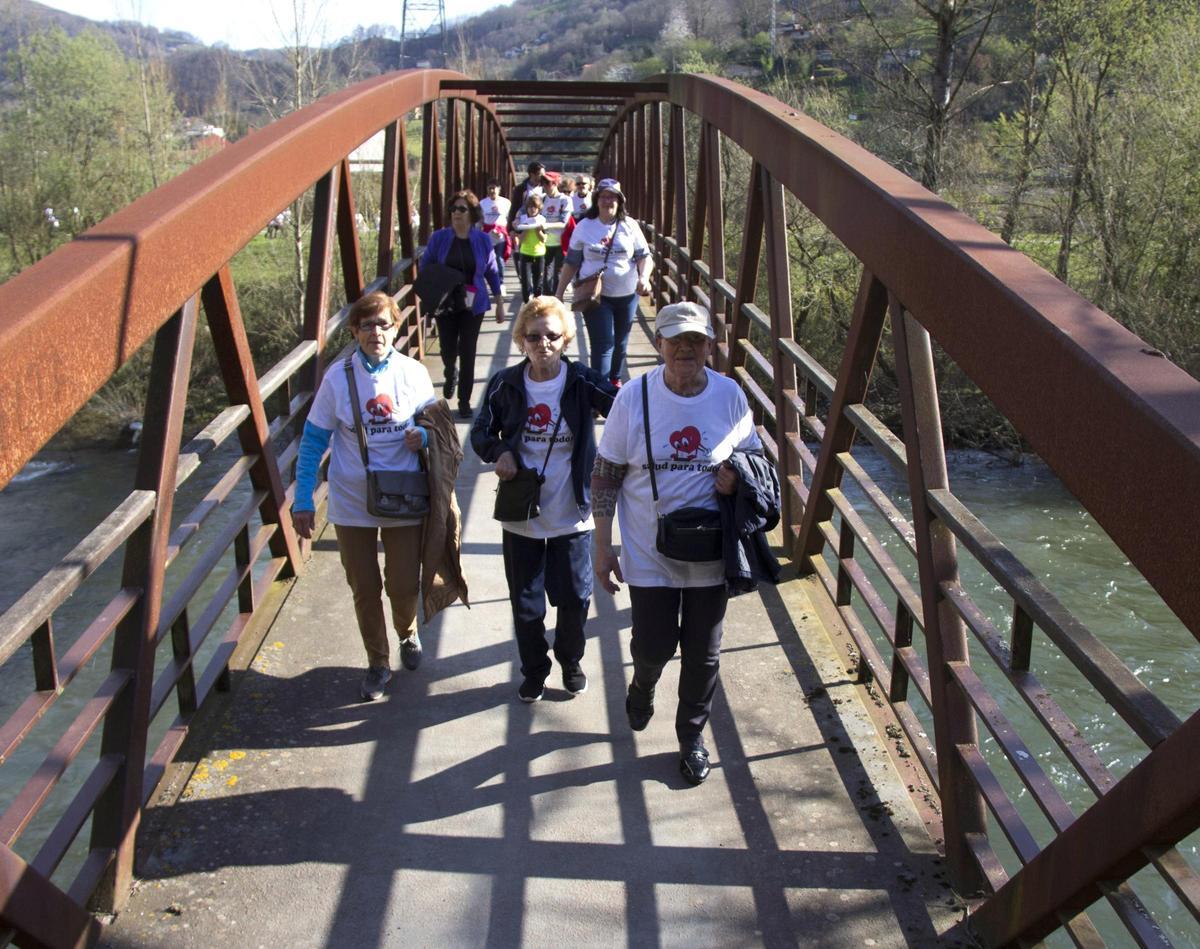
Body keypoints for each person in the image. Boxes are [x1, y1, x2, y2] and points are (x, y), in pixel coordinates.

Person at [590, 302, 763, 786]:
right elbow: (605, 472)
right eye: (675, 340)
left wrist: (738, 477)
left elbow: (754, 458)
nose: (685, 349)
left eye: (695, 340)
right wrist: (603, 546)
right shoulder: (634, 397)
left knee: (704, 652)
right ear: (660, 343)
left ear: (709, 345)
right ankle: (643, 683)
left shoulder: (729, 395)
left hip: (712, 548)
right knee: (655, 645)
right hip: (649, 549)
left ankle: (692, 739)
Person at [472, 296, 618, 702]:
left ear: (566, 338)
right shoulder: (505, 383)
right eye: (534, 337)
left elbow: (622, 407)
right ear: (521, 340)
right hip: (523, 512)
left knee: (574, 598)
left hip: (572, 510)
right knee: (527, 604)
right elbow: (481, 432)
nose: (543, 344)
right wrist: (500, 452)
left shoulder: (581, 380)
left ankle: (570, 661)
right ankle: (535, 670)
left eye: (552, 336)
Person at [291, 293, 434, 702]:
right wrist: (303, 499)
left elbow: (436, 425)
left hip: (404, 495)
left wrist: (423, 436)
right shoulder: (337, 378)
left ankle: (407, 631)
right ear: (354, 331)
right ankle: (377, 662)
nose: (376, 332)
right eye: (367, 325)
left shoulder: (413, 373)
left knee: (403, 584)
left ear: (396, 327)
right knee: (364, 586)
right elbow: (313, 441)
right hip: (352, 497)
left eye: (384, 324)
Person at [556, 177, 653, 388]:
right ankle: (600, 389)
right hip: (595, 296)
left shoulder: (629, 226)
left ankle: (615, 380)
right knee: (603, 343)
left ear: (620, 201)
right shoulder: (584, 227)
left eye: (612, 197)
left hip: (627, 294)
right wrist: (559, 293)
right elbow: (571, 262)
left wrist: (644, 278)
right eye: (603, 196)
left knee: (620, 342)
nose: (608, 201)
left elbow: (644, 256)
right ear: (596, 199)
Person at [420, 190, 506, 419]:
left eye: (461, 209)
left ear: (472, 213)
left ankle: (464, 400)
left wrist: (499, 302)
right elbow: (425, 266)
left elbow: (491, 271)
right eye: (453, 209)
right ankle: (450, 372)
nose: (456, 213)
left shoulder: (482, 240)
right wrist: (432, 288)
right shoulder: (439, 238)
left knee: (468, 351)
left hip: (472, 302)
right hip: (446, 301)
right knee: (448, 348)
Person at [540, 174, 573, 296]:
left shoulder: (565, 200)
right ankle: (547, 301)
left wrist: (546, 225)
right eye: (543, 183)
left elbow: (564, 222)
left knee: (558, 274)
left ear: (555, 184)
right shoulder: (542, 199)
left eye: (548, 183)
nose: (545, 186)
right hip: (544, 241)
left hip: (561, 243)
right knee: (545, 275)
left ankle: (557, 300)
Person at [513, 193, 547, 304]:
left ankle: (537, 304)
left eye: (535, 207)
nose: (532, 209)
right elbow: (520, 240)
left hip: (539, 254)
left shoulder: (542, 219)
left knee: (538, 284)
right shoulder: (523, 220)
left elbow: (544, 239)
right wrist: (526, 229)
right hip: (526, 253)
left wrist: (538, 230)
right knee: (526, 282)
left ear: (539, 208)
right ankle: (527, 303)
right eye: (530, 207)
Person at [480, 179, 513, 285]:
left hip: (500, 235)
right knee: (486, 258)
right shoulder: (482, 203)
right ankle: (488, 281)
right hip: (487, 235)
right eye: (489, 188)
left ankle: (500, 282)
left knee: (499, 258)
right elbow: (479, 220)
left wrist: (511, 232)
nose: (492, 191)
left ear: (499, 189)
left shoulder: (506, 203)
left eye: (494, 188)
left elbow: (510, 218)